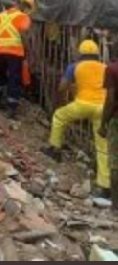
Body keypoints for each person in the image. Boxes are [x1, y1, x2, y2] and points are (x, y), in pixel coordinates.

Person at [44, 40, 110, 198]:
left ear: (80, 54)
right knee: (102, 146)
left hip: (83, 104)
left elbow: (62, 87)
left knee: (59, 116)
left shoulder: (74, 66)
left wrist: (68, 92)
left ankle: (55, 149)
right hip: (103, 108)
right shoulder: (105, 67)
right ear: (97, 55)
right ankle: (104, 186)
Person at [0, 0, 35, 118]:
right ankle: (11, 108)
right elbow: (23, 35)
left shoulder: (0, 15)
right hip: (15, 52)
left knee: (0, 75)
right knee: (14, 78)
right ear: (25, 6)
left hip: (0, 50)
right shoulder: (24, 17)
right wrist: (27, 50)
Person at [100, 59, 118, 211]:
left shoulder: (112, 69)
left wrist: (103, 123)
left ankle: (116, 206)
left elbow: (110, 100)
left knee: (115, 162)